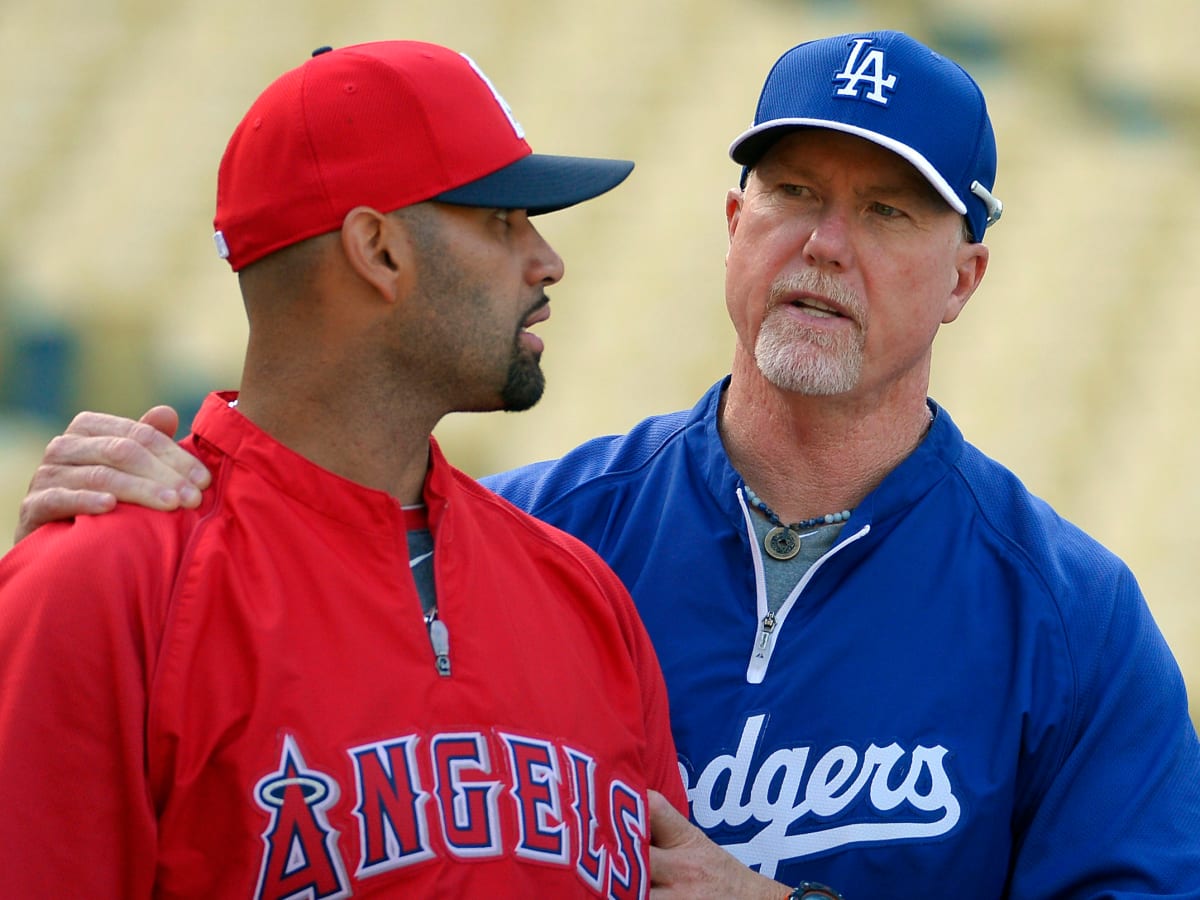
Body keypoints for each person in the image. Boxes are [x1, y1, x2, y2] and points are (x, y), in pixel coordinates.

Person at [13, 30, 1200, 898]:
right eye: (792, 191)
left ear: (964, 281)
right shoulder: (548, 545)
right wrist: (154, 529)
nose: (826, 245)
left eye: (889, 212)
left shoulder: (1070, 617)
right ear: (734, 229)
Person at [0, 40, 696, 898]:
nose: (546, 260)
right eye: (504, 219)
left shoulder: (584, 597)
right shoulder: (104, 588)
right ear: (379, 250)